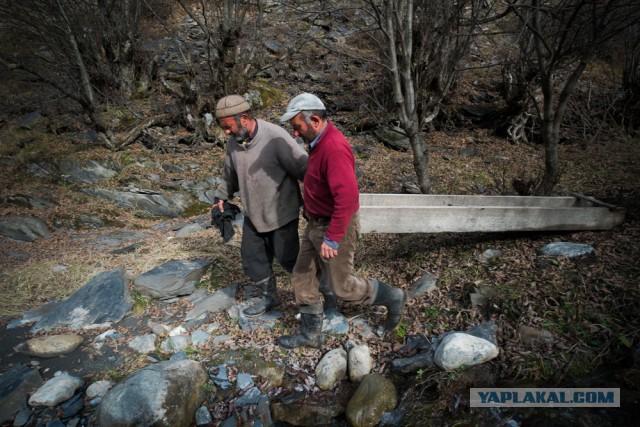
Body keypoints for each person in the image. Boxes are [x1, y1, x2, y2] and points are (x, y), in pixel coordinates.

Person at [277, 93, 406, 349]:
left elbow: (347, 197)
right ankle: (310, 334)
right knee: (302, 275)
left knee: (343, 288)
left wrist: (333, 237)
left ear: (314, 119)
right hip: (315, 223)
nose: (295, 134)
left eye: (297, 127)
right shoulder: (317, 143)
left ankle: (392, 297)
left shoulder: (334, 147)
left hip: (335, 225)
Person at [213, 94, 309, 317]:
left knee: (289, 259)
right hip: (253, 213)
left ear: (244, 118)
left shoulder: (274, 136)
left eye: (228, 127)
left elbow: (304, 167)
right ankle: (269, 297)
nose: (226, 132)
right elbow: (230, 174)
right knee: (252, 258)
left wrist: (319, 201)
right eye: (224, 128)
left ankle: (313, 299)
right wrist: (221, 197)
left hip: (281, 213)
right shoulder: (234, 141)